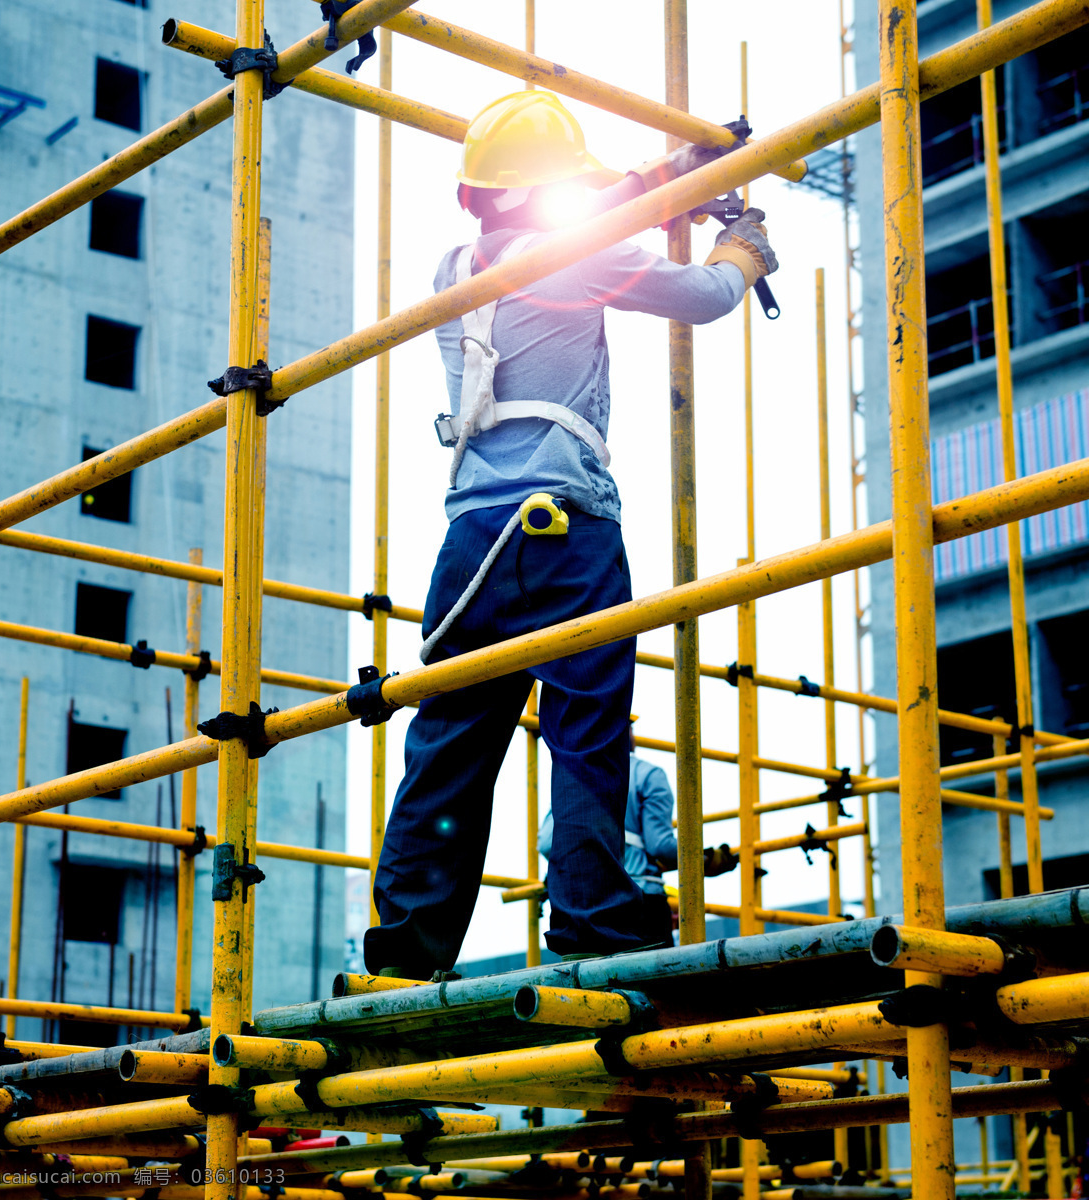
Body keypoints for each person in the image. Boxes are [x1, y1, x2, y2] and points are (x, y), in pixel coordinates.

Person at [364, 91, 777, 979]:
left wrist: (668, 178)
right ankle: (594, 917)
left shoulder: (454, 267)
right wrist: (740, 252)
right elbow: (703, 297)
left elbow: (579, 215)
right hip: (566, 527)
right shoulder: (576, 258)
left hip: (471, 537)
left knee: (451, 736)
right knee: (586, 728)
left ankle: (407, 947)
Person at [538, 721, 679, 948]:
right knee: (653, 981)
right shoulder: (648, 775)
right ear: (627, 732)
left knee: (592, 981)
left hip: (586, 905)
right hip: (641, 900)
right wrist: (703, 860)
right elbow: (660, 846)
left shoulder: (573, 778)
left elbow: (546, 843)